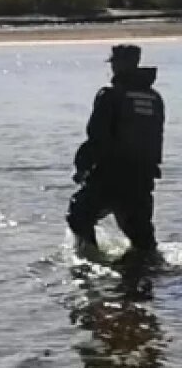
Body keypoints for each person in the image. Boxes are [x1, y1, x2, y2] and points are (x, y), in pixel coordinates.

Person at [67, 43, 165, 257]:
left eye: (114, 63)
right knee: (142, 238)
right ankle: (146, 275)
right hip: (143, 176)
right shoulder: (155, 98)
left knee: (79, 214)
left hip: (111, 173)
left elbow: (97, 137)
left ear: (120, 65)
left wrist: (82, 167)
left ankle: (90, 262)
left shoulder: (110, 96)